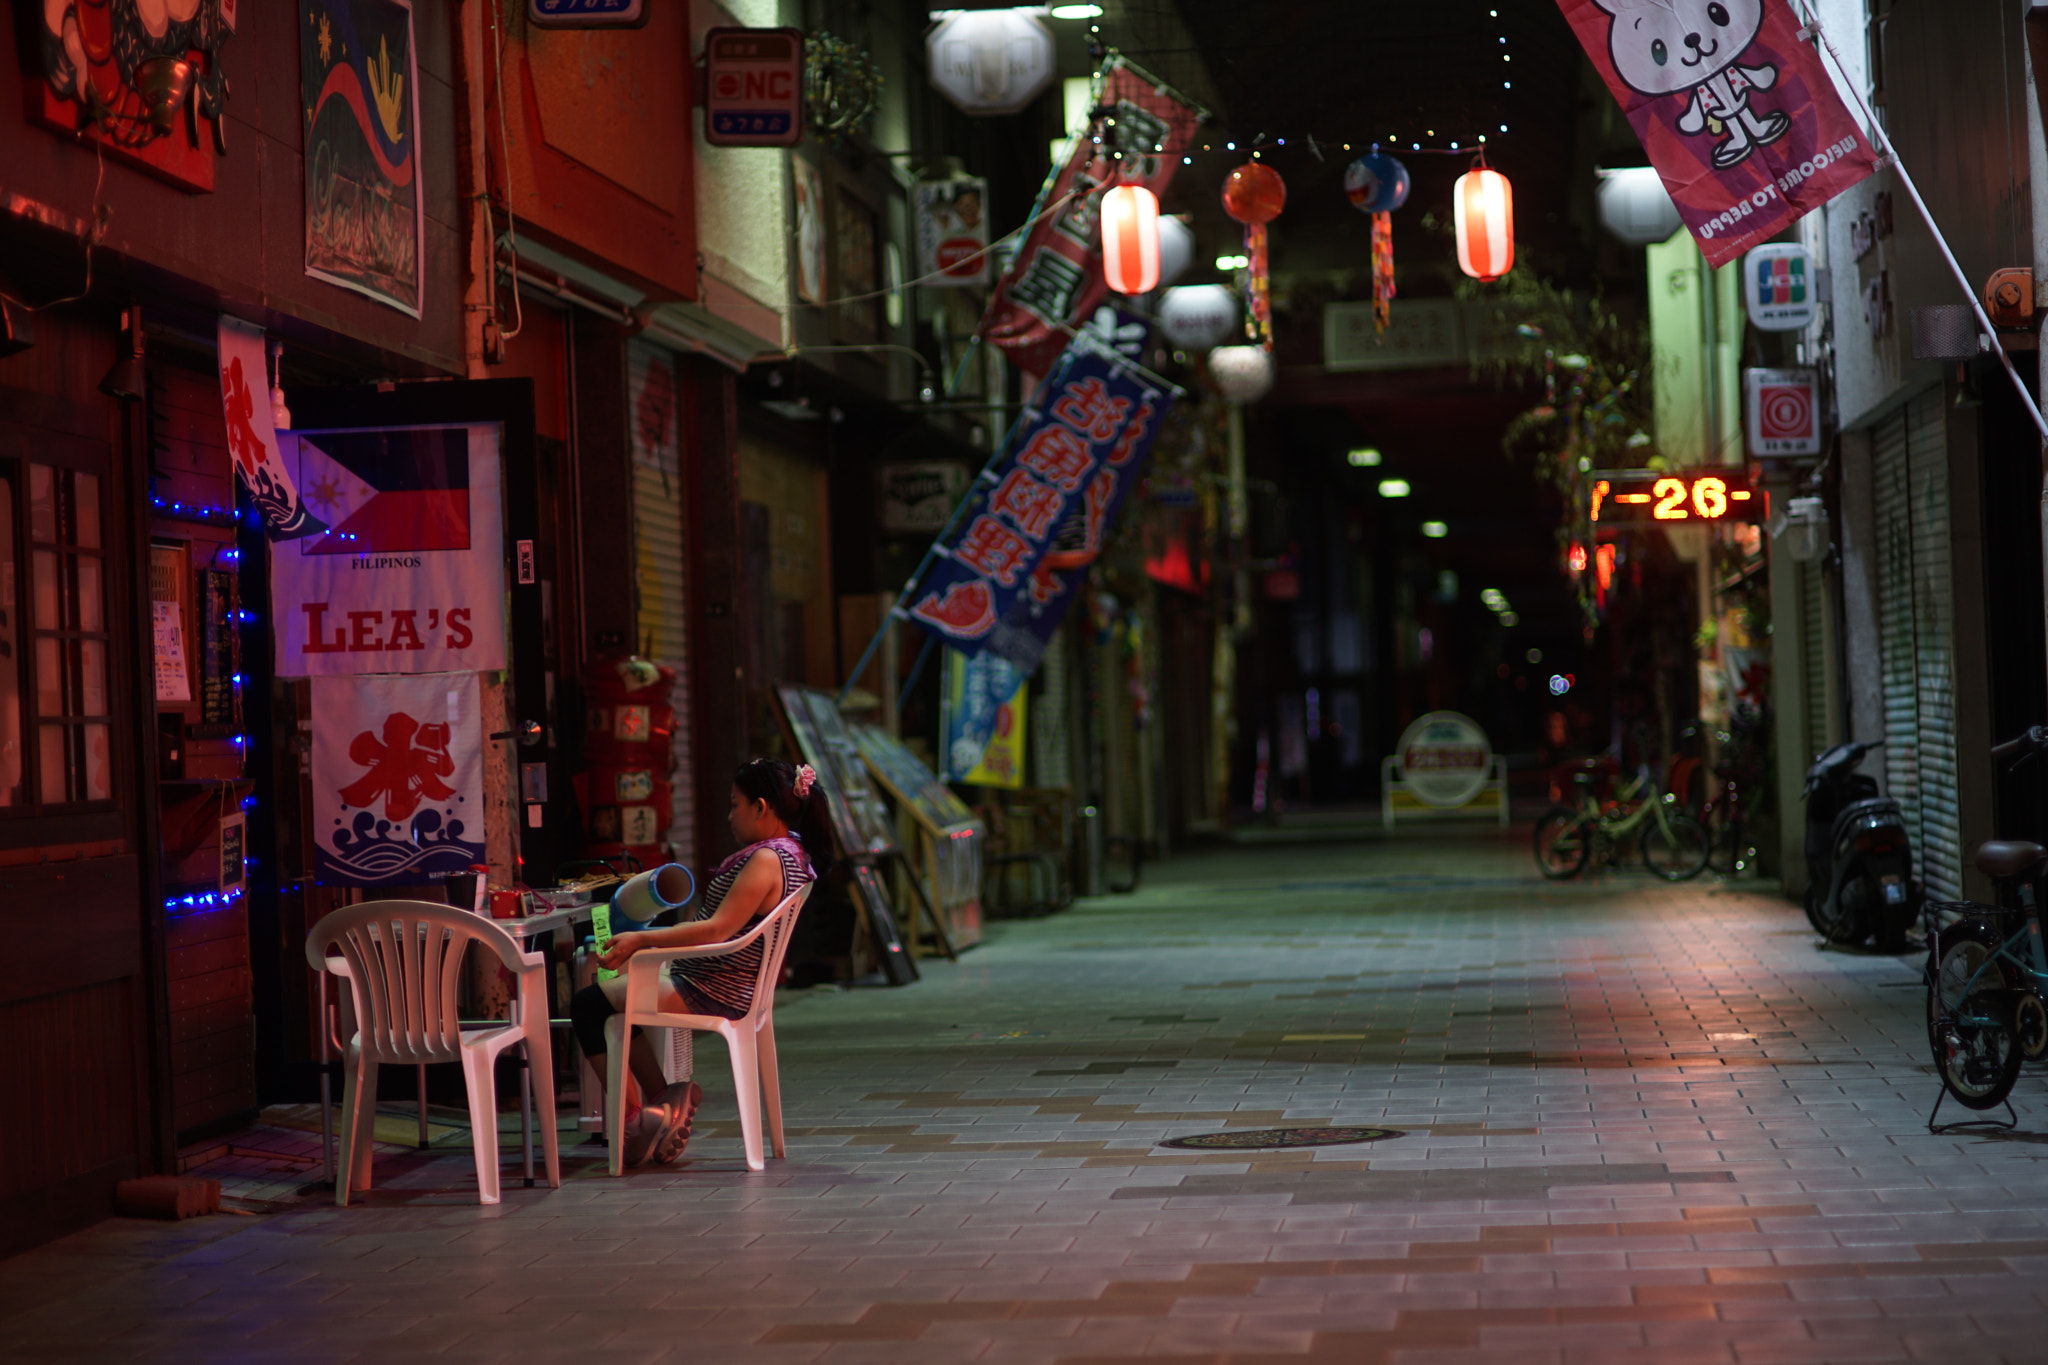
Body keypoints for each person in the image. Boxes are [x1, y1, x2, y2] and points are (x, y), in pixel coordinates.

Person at [568, 758, 830, 1165]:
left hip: (711, 987)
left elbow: (716, 931)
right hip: (724, 981)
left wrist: (641, 939)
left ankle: (638, 1118)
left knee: (587, 1006)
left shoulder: (766, 860)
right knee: (612, 999)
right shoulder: (793, 853)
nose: (729, 816)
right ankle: (661, 1101)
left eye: (735, 804)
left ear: (761, 807)